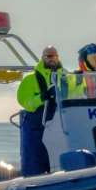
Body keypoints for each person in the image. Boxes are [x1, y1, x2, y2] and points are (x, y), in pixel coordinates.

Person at [15, 45, 65, 176]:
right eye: (49, 56)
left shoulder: (66, 77)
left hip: (61, 122)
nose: (52, 59)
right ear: (42, 58)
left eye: (55, 56)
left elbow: (76, 94)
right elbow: (26, 102)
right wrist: (43, 97)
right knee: (35, 158)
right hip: (36, 124)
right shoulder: (29, 79)